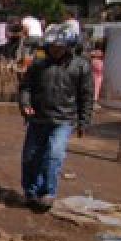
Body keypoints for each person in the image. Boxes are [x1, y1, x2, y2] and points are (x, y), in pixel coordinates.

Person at [18, 23, 93, 210]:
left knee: (54, 155)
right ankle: (31, 191)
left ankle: (48, 192)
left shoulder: (81, 66)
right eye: (52, 47)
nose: (55, 50)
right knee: (30, 156)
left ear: (68, 47)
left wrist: (83, 121)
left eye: (59, 47)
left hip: (63, 119)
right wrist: (25, 105)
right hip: (38, 118)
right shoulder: (38, 65)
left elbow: (86, 96)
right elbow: (26, 88)